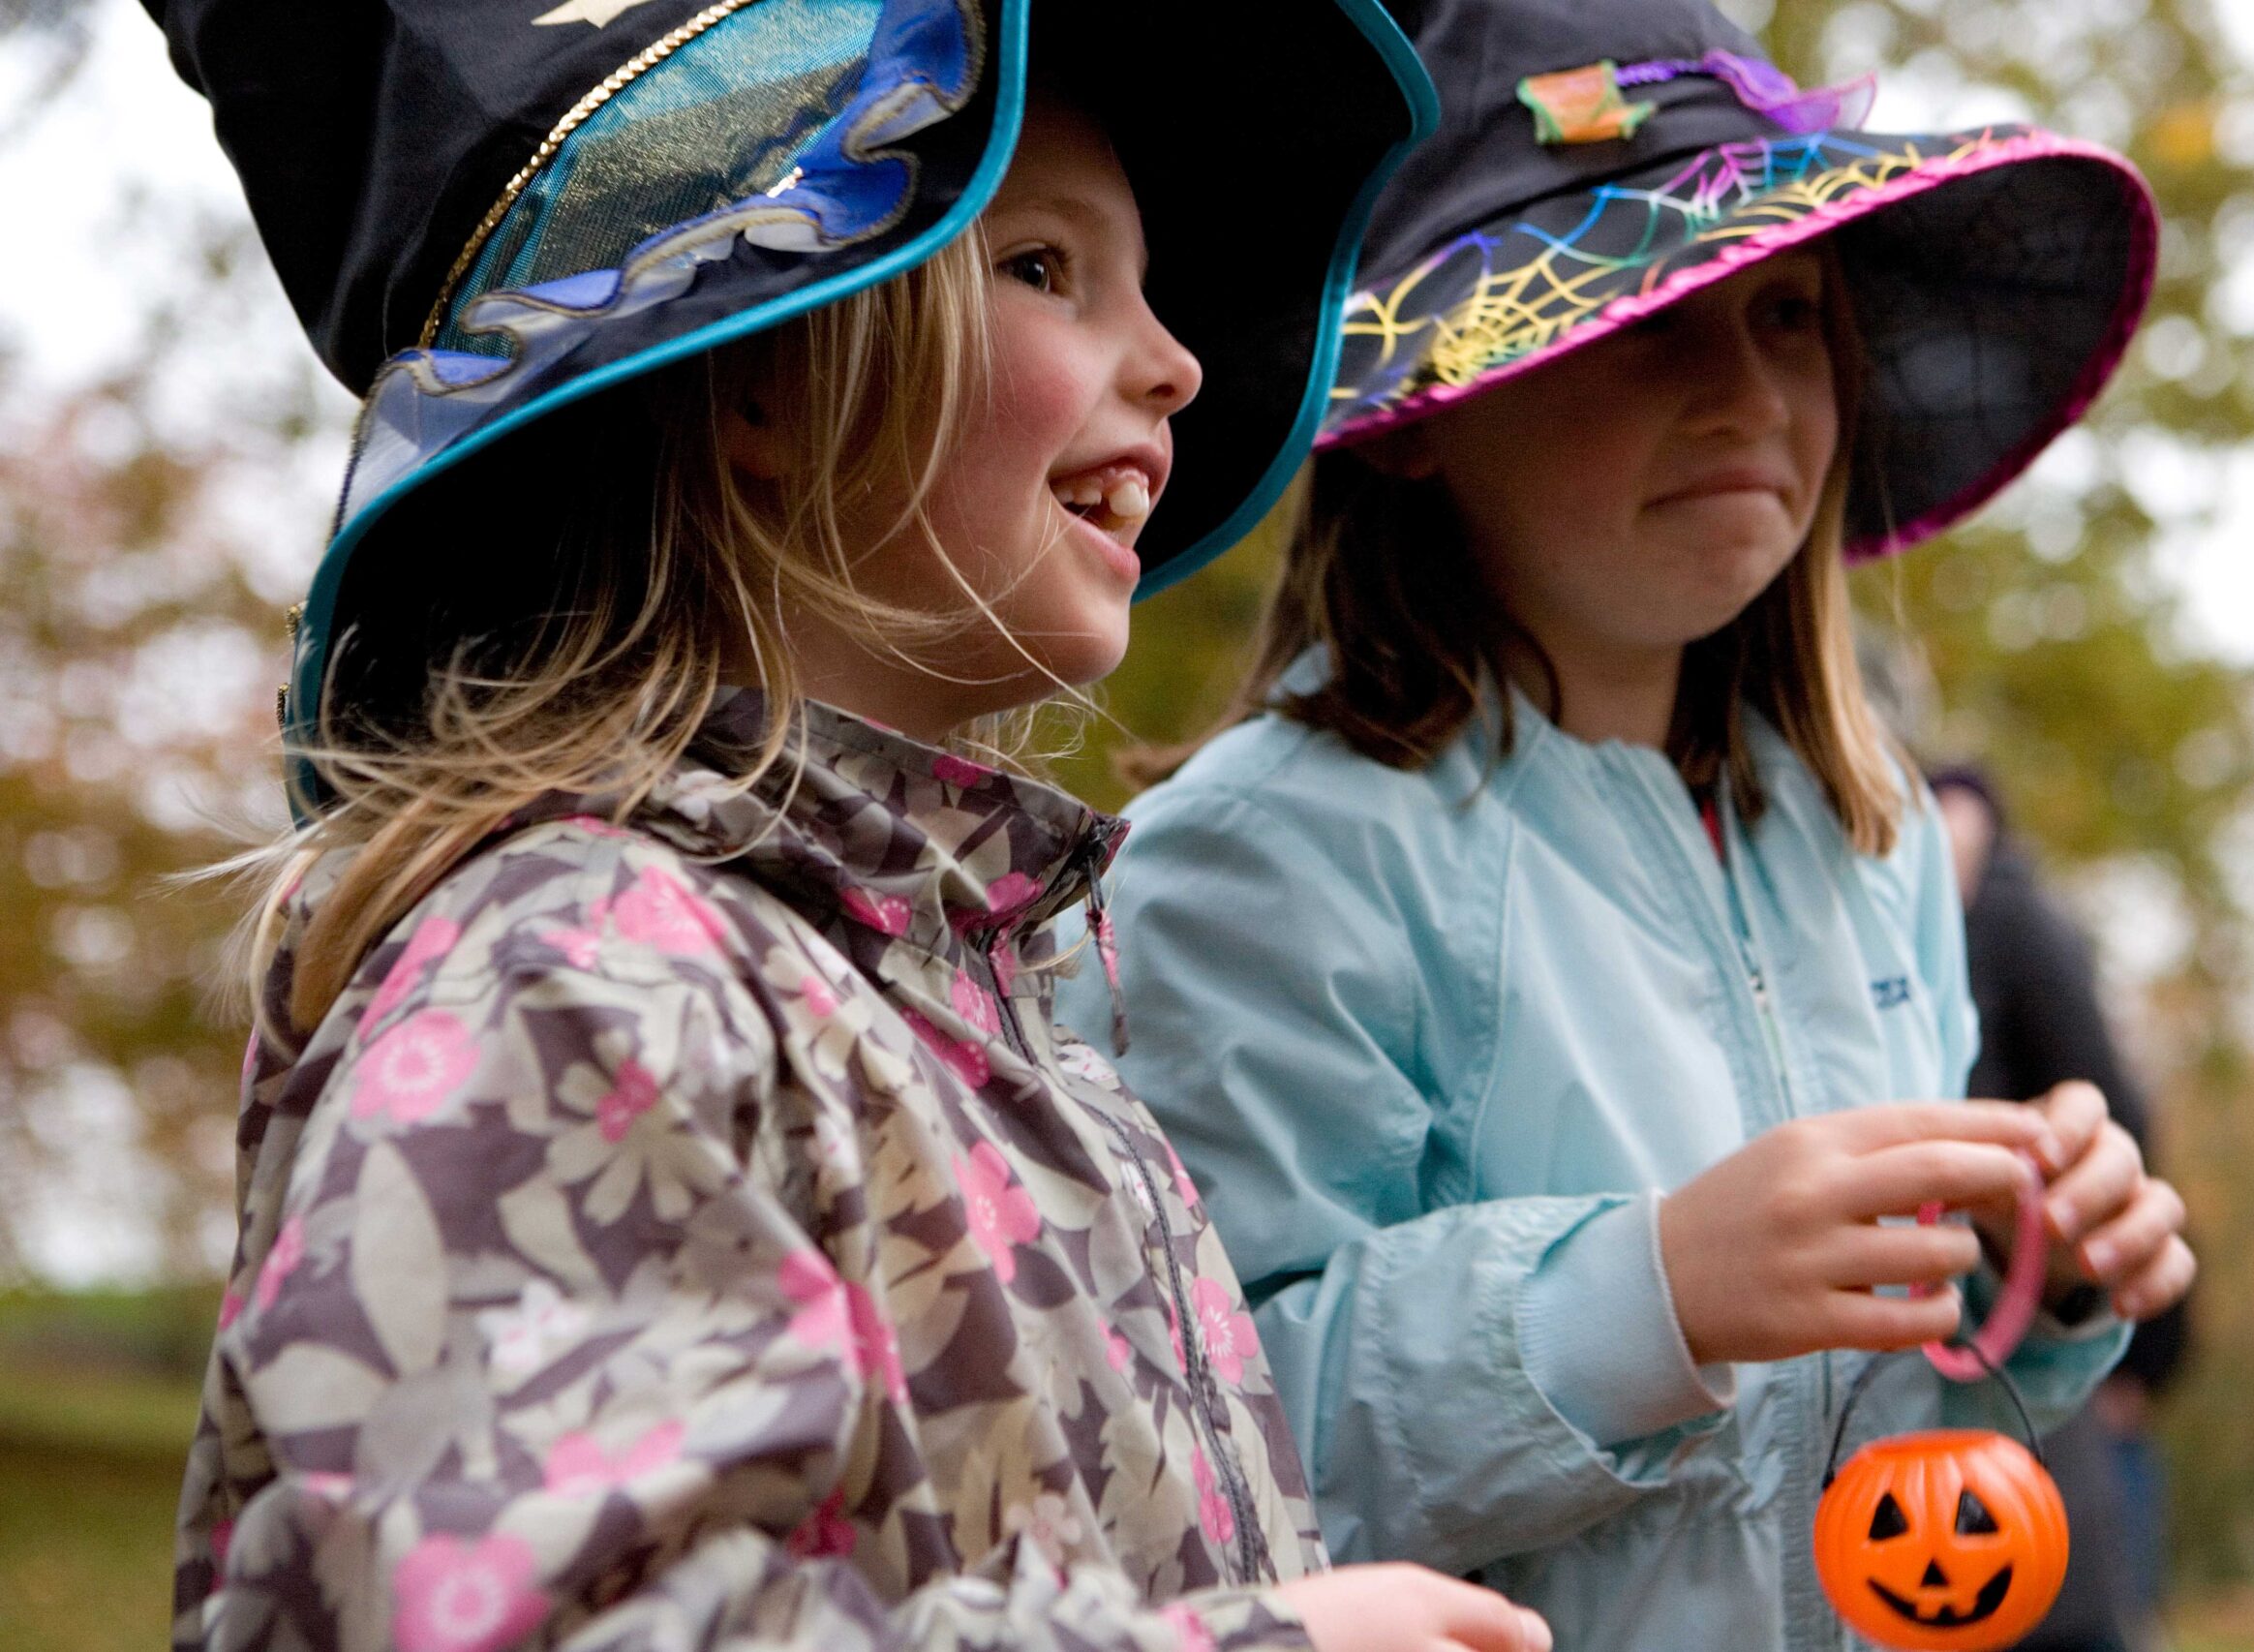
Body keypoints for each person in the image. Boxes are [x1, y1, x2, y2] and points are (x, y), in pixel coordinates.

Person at [144, 4, 1558, 1651]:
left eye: (1150, 286)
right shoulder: (580, 974)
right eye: (1044, 267)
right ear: (757, 371)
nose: (1175, 359)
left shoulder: (1004, 1022)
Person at [1060, 2, 2196, 1648]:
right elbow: (1185, 1444)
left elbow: (1871, 1446)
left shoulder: (1864, 850)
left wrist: (2032, 1280)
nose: (1745, 395)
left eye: (1791, 315)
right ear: (1432, 402)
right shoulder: (1267, 859)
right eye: (1652, 322)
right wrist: (1645, 1291)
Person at [1934, 769, 2192, 1652]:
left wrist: (2139, 1353)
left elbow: (2111, 1114)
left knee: (2072, 1593)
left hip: (2048, 1356)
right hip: (1926, 1418)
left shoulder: (2009, 919)